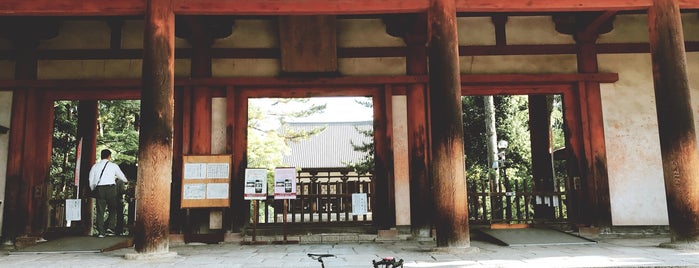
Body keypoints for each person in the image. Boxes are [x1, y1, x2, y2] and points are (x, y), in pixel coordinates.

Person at [89, 149, 129, 238]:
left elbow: (91, 180)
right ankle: (110, 228)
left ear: (101, 156)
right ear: (109, 156)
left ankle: (101, 232)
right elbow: (121, 176)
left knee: (100, 211)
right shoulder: (113, 166)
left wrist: (93, 189)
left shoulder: (95, 166)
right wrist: (126, 181)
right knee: (113, 209)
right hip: (111, 188)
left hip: (99, 188)